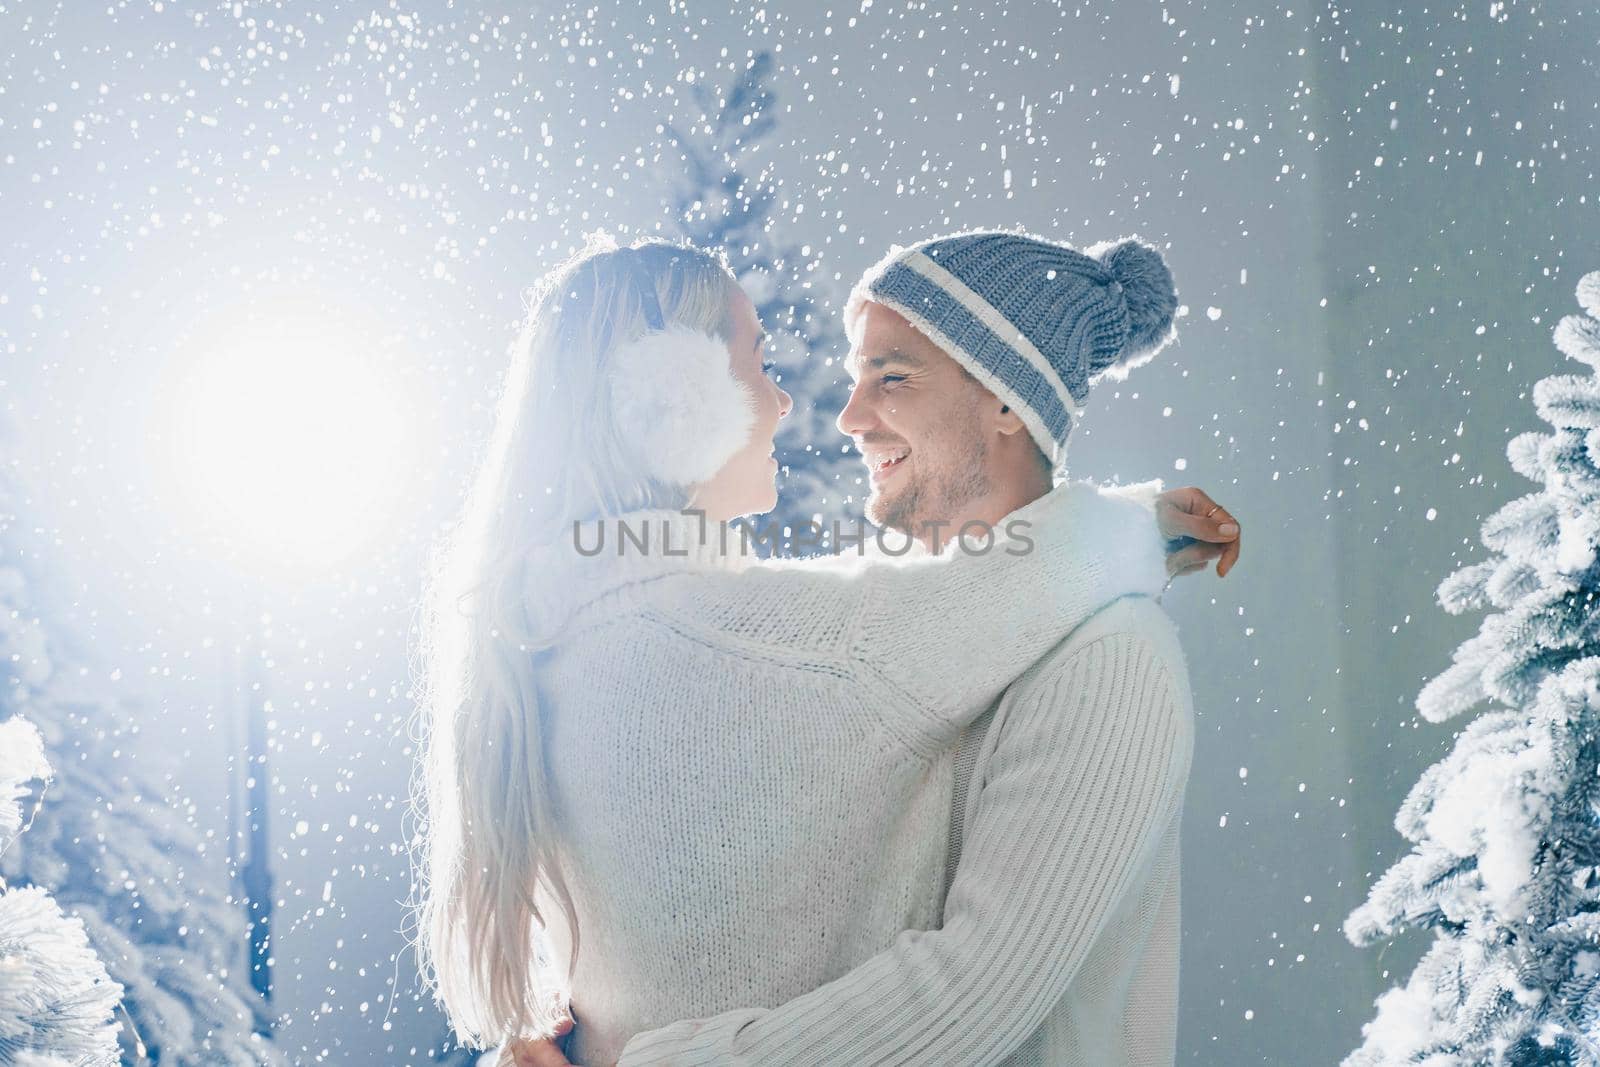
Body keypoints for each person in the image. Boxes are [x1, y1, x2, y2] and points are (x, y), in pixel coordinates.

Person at [408, 233, 1237, 1067]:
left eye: (894, 375)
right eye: (760, 366)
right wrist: (1135, 525)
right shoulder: (787, 650)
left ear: (1008, 401)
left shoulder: (1106, 652)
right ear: (671, 393)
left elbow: (971, 991)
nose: (831, 413)